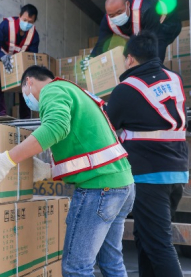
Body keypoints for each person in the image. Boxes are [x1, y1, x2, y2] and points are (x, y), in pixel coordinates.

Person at [0, 65, 135, 276]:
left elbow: (56, 127)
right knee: (111, 263)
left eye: (24, 94)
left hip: (100, 189)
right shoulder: (73, 92)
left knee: (76, 269)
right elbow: (86, 149)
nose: (28, 101)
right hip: (122, 186)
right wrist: (50, 170)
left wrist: (7, 160)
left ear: (29, 82)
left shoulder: (52, 90)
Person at [106, 31, 187, 277]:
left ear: (130, 59)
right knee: (146, 237)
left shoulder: (126, 89)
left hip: (149, 176)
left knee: (159, 245)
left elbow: (107, 126)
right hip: (177, 174)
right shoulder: (175, 79)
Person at [0, 4, 40, 119]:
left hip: (18, 60)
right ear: (19, 16)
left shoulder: (34, 35)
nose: (26, 23)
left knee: (26, 84)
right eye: (24, 20)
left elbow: (32, 56)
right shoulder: (7, 25)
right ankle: (0, 113)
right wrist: (1, 56)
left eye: (30, 22)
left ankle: (25, 116)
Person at [88, 0, 181, 63]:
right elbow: (100, 44)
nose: (116, 17)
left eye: (119, 12)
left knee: (149, 56)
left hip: (165, 25)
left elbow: (156, 41)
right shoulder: (107, 21)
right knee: (127, 56)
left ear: (127, 4)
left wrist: (155, 67)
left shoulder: (146, 9)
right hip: (139, 31)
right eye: (112, 15)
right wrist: (91, 60)